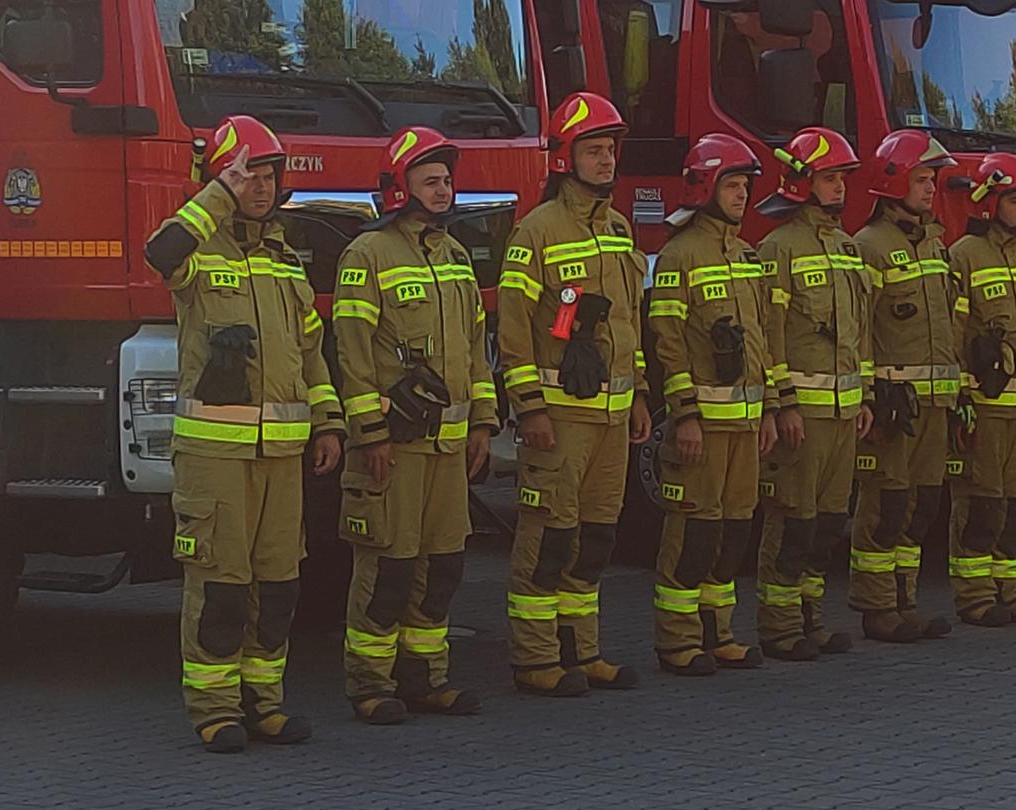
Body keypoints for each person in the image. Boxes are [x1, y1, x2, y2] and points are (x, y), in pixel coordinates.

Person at [142, 115, 343, 752]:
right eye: (248, 173)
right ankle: (215, 709)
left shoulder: (287, 263)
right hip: (215, 459)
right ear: (223, 180)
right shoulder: (197, 253)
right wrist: (216, 194)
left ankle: (266, 703)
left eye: (268, 173)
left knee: (278, 586)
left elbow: (312, 354)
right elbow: (160, 250)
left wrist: (329, 422)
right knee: (221, 587)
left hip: (281, 457)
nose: (261, 185)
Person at [333, 126, 495, 724]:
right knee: (388, 568)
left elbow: (478, 350)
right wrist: (370, 435)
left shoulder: (454, 256)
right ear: (401, 188)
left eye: (447, 181)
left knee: (443, 566)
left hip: (450, 448)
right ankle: (370, 685)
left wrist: (484, 422)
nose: (443, 191)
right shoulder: (366, 255)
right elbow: (350, 356)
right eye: (430, 181)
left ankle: (426, 678)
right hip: (394, 448)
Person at [498, 92, 653, 697]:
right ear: (566, 157)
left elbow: (628, 325)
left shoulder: (618, 229)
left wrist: (638, 393)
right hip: (558, 419)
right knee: (548, 538)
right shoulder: (535, 232)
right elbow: (513, 334)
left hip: (612, 418)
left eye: (610, 150)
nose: (606, 160)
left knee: (594, 539)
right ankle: (537, 659)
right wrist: (530, 408)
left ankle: (582, 652)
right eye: (593, 150)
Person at [646, 134, 782, 675]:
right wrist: (684, 415)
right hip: (702, 426)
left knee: (732, 532)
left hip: (746, 426)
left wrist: (770, 408)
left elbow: (764, 339)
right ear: (705, 187)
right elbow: (668, 342)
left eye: (746, 186)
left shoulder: (747, 256)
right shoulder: (680, 255)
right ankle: (677, 639)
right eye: (731, 185)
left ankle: (719, 632)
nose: (742, 196)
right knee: (694, 531)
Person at [754, 126, 872, 662]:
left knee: (827, 524)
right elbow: (769, 333)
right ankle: (779, 626)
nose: (840, 189)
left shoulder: (848, 249)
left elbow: (859, 332)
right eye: (829, 179)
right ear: (802, 183)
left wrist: (865, 396)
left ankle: (812, 618)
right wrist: (782, 404)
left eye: (843, 179)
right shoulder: (778, 248)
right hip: (804, 415)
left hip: (846, 414)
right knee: (792, 520)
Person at [847, 129, 959, 643]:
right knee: (886, 506)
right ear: (893, 182)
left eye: (933, 179)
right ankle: (876, 607)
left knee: (921, 506)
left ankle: (905, 599)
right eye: (921, 179)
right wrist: (870, 393)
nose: (930, 188)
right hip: (895, 406)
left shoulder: (936, 244)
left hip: (935, 404)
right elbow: (857, 328)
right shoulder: (868, 247)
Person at [947, 153, 1016, 627]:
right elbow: (956, 331)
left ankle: (1006, 590)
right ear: (989, 202)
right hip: (988, 408)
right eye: (1014, 200)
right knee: (983, 502)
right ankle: (974, 595)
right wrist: (964, 396)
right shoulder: (965, 256)